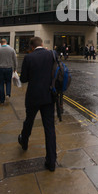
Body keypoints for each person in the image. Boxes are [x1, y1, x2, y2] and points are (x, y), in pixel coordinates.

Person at [18, 36, 57, 172]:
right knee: (49, 128)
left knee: (29, 121)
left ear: (31, 47)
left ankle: (24, 142)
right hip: (48, 96)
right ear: (41, 44)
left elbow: (23, 79)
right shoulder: (51, 55)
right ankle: (51, 162)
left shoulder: (29, 58)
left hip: (33, 96)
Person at [0, 39, 17, 104]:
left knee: (1, 83)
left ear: (1, 43)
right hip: (9, 68)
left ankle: (2, 100)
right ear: (6, 42)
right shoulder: (11, 49)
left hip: (0, 68)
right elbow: (15, 60)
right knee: (8, 82)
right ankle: (8, 94)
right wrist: (15, 68)